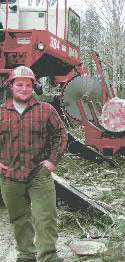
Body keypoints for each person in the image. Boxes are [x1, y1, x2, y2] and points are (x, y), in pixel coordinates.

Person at [0, 66, 68, 262]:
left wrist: (52, 161)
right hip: (10, 175)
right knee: (19, 219)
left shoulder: (46, 110)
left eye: (28, 85)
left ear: (33, 87)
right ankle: (26, 255)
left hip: (38, 173)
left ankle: (48, 255)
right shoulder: (2, 112)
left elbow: (60, 136)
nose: (23, 88)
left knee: (45, 217)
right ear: (11, 86)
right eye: (19, 84)